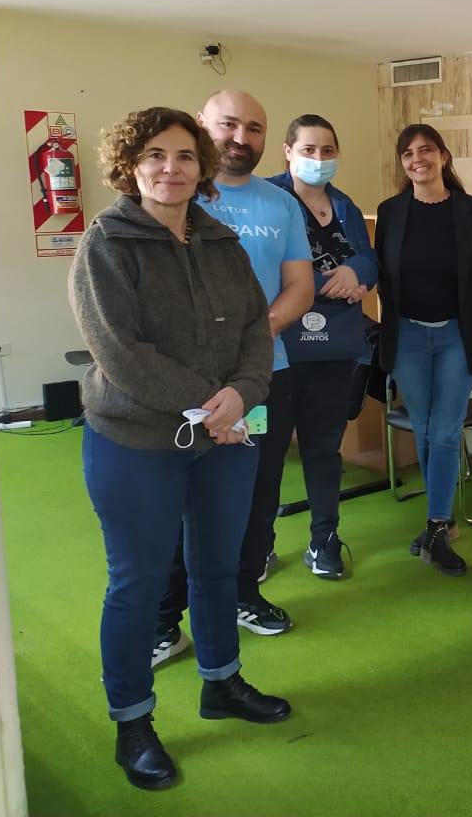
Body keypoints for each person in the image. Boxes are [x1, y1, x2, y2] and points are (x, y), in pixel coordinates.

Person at [70, 107, 291, 791]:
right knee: (137, 584)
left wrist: (242, 394)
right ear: (130, 166)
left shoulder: (221, 240)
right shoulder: (106, 243)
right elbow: (120, 352)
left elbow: (255, 327)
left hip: (224, 438)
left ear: (202, 167)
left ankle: (222, 682)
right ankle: (133, 722)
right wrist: (211, 405)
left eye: (185, 156)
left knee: (218, 569)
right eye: (155, 156)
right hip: (136, 441)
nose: (171, 168)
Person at [155, 90, 314, 660]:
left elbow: (300, 287)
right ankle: (163, 619)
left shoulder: (282, 205)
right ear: (202, 125)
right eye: (228, 124)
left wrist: (251, 341)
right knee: (179, 502)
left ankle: (245, 592)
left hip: (266, 379)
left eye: (254, 128)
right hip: (184, 386)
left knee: (256, 492)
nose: (240, 138)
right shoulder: (174, 194)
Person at [267, 114, 378, 579]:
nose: (318, 158)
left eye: (327, 150)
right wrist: (321, 283)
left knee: (324, 450)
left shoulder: (345, 206)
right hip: (276, 353)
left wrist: (357, 273)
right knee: (265, 453)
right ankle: (259, 545)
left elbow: (368, 259)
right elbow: (264, 265)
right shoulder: (267, 199)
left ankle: (324, 540)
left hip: (334, 352)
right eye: (308, 150)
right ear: (288, 152)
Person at [376, 123, 472, 576]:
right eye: (408, 153)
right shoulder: (391, 211)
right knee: (422, 428)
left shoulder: (471, 210)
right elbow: (384, 277)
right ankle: (441, 523)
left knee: (443, 430)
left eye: (425, 150)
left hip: (456, 335)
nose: (417, 159)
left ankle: (437, 526)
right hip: (408, 337)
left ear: (443, 155)